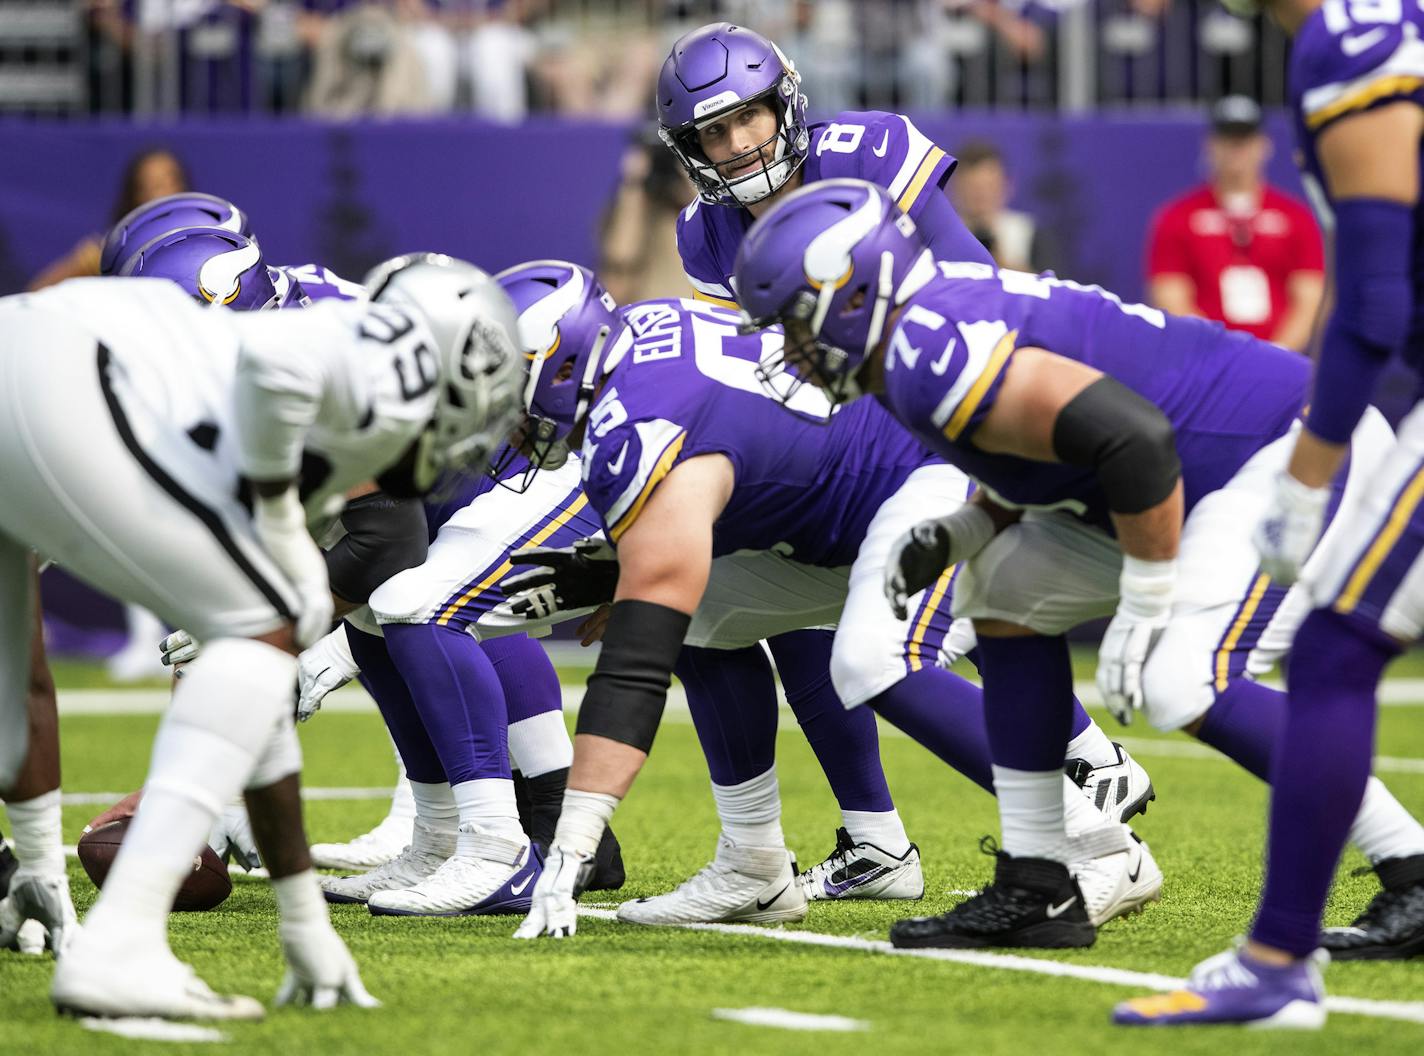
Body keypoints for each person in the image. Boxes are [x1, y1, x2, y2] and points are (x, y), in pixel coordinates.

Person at [731, 177, 1424, 955]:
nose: (789, 348)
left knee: (1182, 678)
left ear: (854, 297)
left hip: (1275, 452)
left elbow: (1135, 441)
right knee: (1003, 594)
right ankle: (1039, 882)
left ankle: (1413, 869)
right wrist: (971, 525)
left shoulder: (930, 347)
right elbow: (1040, 446)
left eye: (795, 323)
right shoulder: (908, 343)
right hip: (1174, 474)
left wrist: (1147, 597)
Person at [493, 264, 1160, 940]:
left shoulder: (635, 429)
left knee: (878, 659)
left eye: (508, 401)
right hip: (854, 508)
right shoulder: (636, 341)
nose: (509, 430)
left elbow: (634, 667)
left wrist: (573, 842)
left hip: (931, 479)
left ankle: (1095, 842)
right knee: (699, 621)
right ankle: (754, 866)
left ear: (560, 362)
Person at [0, 254, 521, 1019]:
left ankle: (33, 883)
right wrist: (277, 515)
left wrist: (301, 914)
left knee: (20, 664)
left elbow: (258, 690)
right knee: (255, 629)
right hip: (66, 383)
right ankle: (123, 946)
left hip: (32, 354)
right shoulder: (378, 365)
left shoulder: (321, 350)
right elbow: (279, 368)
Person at [1116, 0, 1424, 1028]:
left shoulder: (1356, 37)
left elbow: (1371, 304)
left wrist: (1306, 472)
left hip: (1339, 413)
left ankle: (1278, 961)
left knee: (1333, 651)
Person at [1146, 95, 1325, 351]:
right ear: (1210, 145)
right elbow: (1171, 297)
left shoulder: (1296, 217)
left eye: (1245, 139)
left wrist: (1275, 356)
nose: (1237, 148)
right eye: (1228, 139)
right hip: (1206, 359)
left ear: (1264, 145)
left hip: (1278, 356)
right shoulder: (1177, 217)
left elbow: (1309, 300)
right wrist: (1220, 356)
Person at [27, 147, 189, 291]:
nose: (161, 195)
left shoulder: (204, 242)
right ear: (133, 196)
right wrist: (83, 264)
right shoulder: (110, 252)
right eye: (150, 186)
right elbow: (36, 291)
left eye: (169, 182)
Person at [951, 140, 1056, 274]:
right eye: (971, 188)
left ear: (1008, 186)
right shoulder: (941, 235)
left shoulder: (1029, 233)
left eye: (989, 187)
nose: (981, 196)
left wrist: (1005, 267)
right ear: (955, 188)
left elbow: (1055, 288)